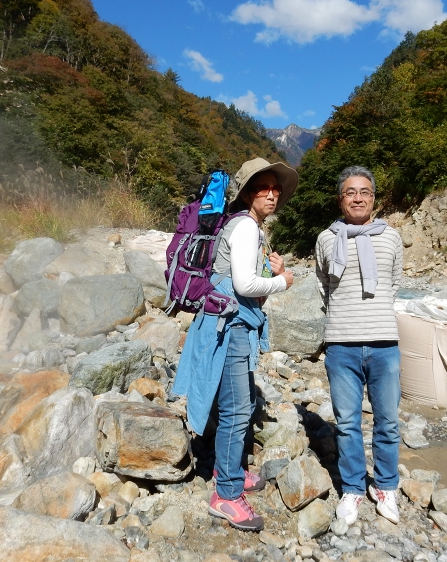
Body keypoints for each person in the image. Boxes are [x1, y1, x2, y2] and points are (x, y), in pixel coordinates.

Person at [173, 157, 298, 531]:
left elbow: (243, 282)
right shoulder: (244, 226)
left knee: (236, 404)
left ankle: (230, 470)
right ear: (247, 193)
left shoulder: (247, 226)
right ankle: (225, 495)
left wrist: (271, 273)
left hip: (230, 323)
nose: (272, 194)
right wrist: (283, 282)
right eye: (263, 188)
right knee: (237, 410)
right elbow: (244, 286)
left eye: (276, 188)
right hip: (229, 328)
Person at [314, 165, 403, 525]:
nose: (358, 198)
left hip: (384, 343)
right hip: (341, 344)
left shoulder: (391, 237)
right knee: (348, 422)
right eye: (350, 192)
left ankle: (385, 486)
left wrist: (372, 313)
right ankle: (352, 488)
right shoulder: (326, 239)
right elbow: (323, 285)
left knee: (388, 422)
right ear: (340, 199)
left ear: (373, 199)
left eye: (364, 192)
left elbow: (393, 282)